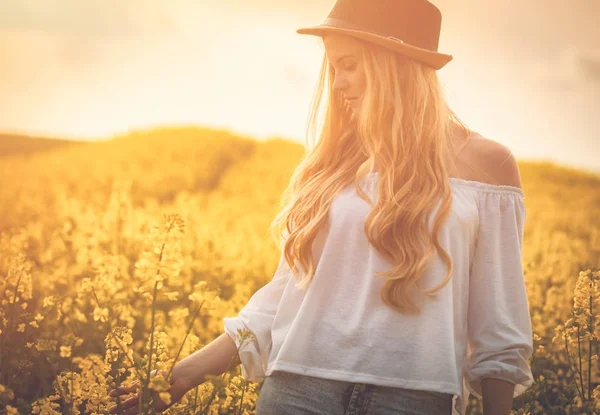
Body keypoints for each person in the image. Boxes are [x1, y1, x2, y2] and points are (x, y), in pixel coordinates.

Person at [108, 0, 535, 414]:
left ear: (394, 66)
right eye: (333, 68)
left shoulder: (489, 166)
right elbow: (283, 297)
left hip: (415, 398)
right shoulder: (334, 162)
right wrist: (190, 370)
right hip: (297, 390)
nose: (338, 83)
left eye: (349, 65)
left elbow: (500, 331)